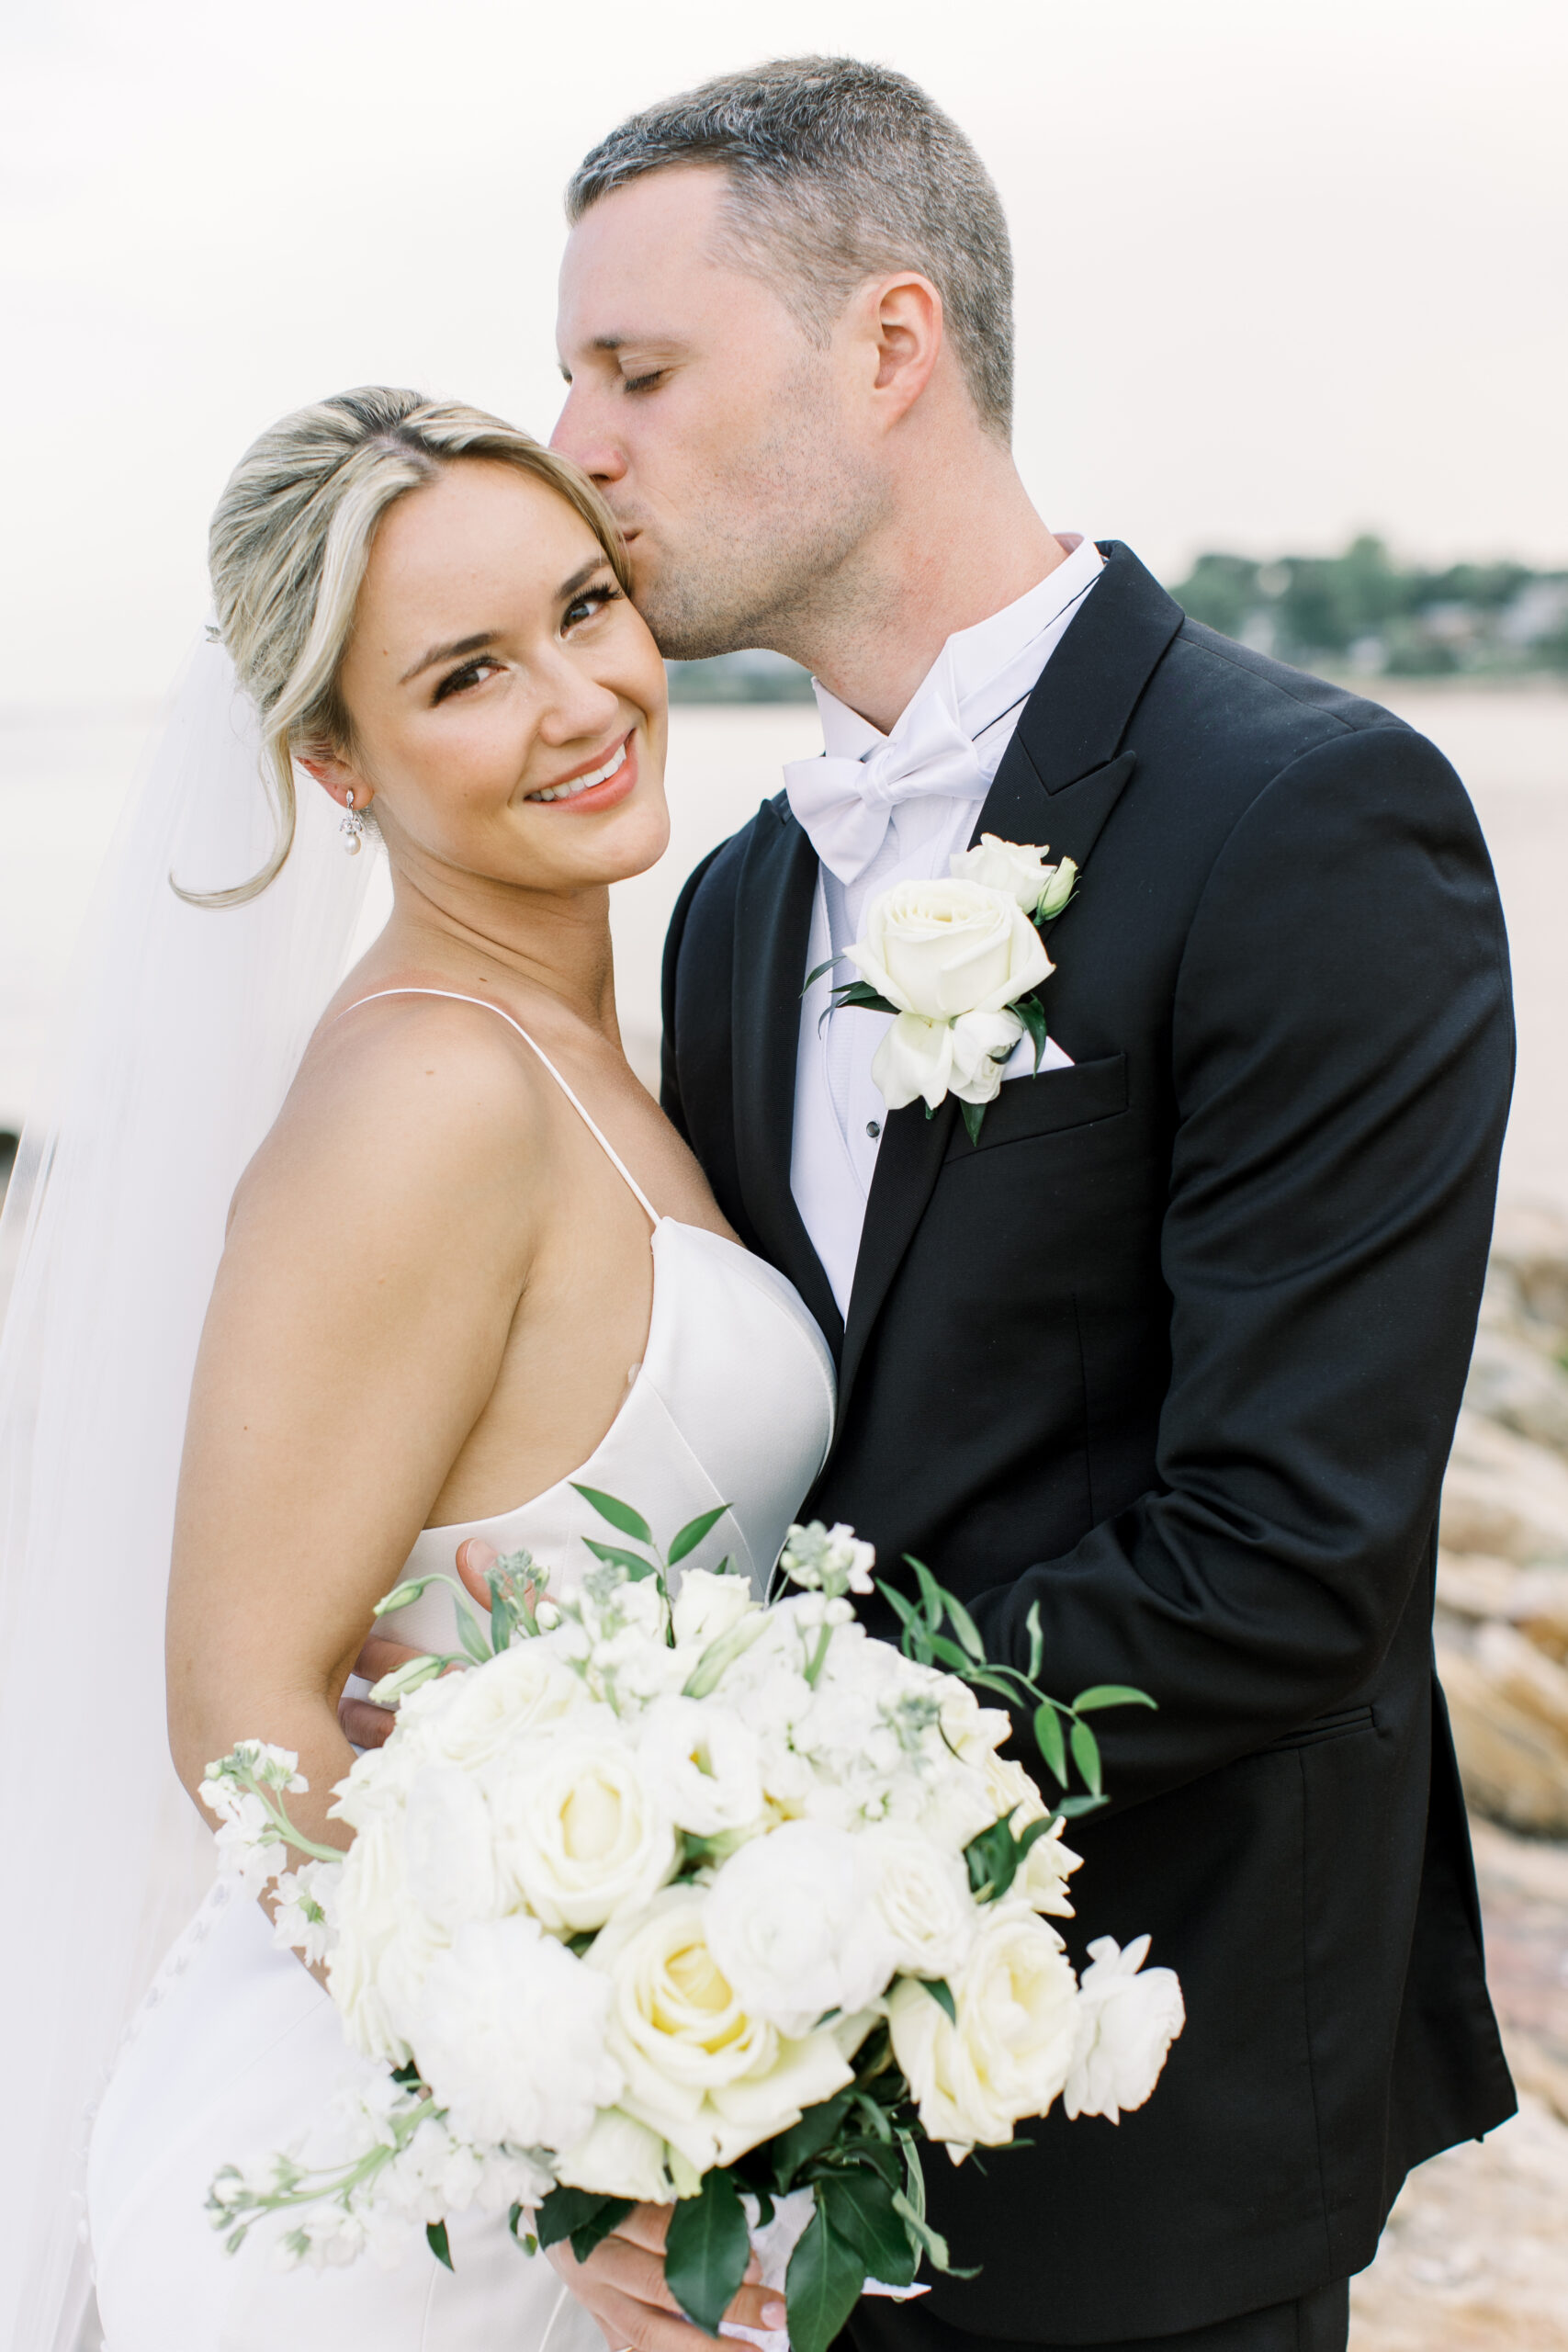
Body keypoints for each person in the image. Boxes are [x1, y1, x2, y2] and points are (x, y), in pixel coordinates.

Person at [532, 52, 1515, 2352]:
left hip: (1155, 2101)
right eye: (572, 376)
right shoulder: (735, 907)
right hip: (780, 2093)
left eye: (636, 371)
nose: (574, 444)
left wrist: (719, 1776)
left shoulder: (1306, 821)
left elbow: (1282, 1552)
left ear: (891, 347)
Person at [4, 389, 830, 2350]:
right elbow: (246, 1715)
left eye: (584, 607)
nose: (577, 698)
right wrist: (570, 2126)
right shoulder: (429, 1093)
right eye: (466, 673)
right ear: (333, 760)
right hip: (403, 2191)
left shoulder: (607, 1051)